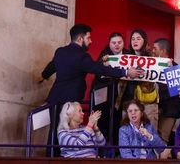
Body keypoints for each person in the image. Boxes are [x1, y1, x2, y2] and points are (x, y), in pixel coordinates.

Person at [41, 24, 142, 156]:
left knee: (54, 132)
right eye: (88, 38)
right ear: (80, 39)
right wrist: (126, 72)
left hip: (53, 99)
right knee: (68, 132)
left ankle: (50, 158)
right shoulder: (82, 56)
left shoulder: (60, 51)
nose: (91, 41)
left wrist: (43, 76)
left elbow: (51, 66)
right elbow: (101, 69)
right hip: (70, 102)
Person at [90, 32, 129, 155]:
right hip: (105, 99)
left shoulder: (129, 55)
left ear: (123, 43)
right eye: (114, 42)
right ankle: (102, 151)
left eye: (119, 42)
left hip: (123, 98)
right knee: (104, 123)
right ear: (109, 44)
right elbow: (96, 74)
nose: (116, 45)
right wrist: (102, 64)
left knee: (120, 124)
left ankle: (119, 151)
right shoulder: (104, 55)